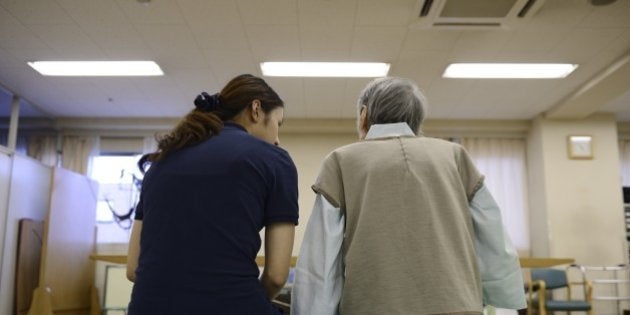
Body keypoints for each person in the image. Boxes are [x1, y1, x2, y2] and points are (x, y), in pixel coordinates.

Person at [291, 77, 526, 315]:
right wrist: (504, 301)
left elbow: (320, 259)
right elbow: (492, 234)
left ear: (364, 115)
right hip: (457, 304)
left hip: (374, 306)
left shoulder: (342, 160)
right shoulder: (453, 156)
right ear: (417, 119)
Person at [126, 74, 298, 314]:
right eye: (278, 124)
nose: (277, 139)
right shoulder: (275, 160)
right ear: (256, 109)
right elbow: (277, 276)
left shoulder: (160, 162)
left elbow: (133, 268)